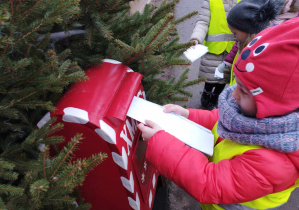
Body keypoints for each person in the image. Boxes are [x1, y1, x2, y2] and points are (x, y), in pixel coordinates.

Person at [138, 18, 299, 209]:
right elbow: (223, 118)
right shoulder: (253, 114)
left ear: (274, 105)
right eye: (236, 84)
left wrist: (160, 142)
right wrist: (188, 115)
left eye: (244, 91)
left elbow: (208, 183)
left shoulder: (276, 163)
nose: (234, 95)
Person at [216, 0, 284, 85]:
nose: (234, 37)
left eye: (234, 33)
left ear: (247, 30)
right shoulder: (242, 42)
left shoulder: (259, 55)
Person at [190, 0, 241, 110]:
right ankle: (206, 92)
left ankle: (216, 96)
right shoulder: (211, 1)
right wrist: (196, 38)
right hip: (213, 49)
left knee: (223, 79)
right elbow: (203, 22)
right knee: (210, 77)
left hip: (233, 49)